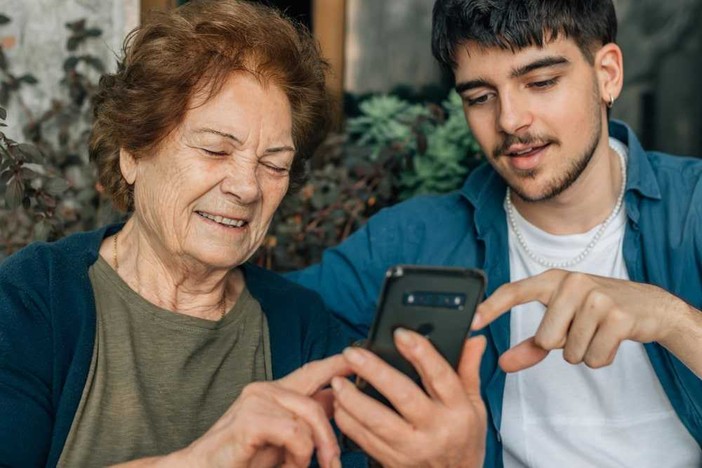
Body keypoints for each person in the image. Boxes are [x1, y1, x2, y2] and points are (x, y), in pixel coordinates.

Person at [0, 1, 488, 466]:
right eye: (215, 150)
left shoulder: (302, 327)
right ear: (133, 153)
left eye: (274, 165)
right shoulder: (33, 300)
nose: (246, 187)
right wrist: (201, 460)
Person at [288, 0, 702, 466]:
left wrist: (673, 319)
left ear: (607, 74)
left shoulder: (694, 208)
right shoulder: (409, 240)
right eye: (480, 96)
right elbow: (262, 329)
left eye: (541, 82)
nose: (509, 121)